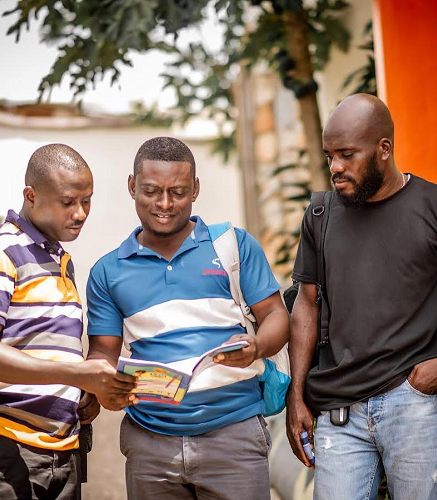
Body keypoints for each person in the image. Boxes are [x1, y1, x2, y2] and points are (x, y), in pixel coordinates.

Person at [286, 93, 437, 500]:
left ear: (384, 149)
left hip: (413, 405)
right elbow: (305, 305)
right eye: (330, 156)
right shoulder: (320, 216)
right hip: (338, 414)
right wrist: (295, 396)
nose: (335, 167)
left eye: (347, 154)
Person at [84, 136, 290, 500]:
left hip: (235, 436)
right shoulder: (107, 272)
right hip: (150, 442)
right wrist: (101, 390)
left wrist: (256, 346)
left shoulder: (233, 246)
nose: (164, 204)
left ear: (195, 189)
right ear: (132, 187)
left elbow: (276, 315)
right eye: (151, 191)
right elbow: (103, 353)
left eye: (177, 192)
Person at [0, 144, 136, 500]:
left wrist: (82, 394)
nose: (80, 213)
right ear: (30, 196)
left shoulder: (60, 261)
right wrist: (76, 375)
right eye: (68, 202)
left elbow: (50, 356)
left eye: (87, 200)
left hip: (60, 449)